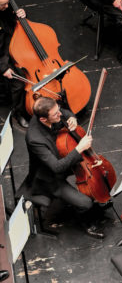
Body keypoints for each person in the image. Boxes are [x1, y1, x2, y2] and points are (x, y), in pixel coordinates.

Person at [22, 97, 105, 239]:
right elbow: (56, 167)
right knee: (86, 203)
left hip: (62, 153)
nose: (59, 115)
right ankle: (87, 224)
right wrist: (79, 149)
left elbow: (64, 112)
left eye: (58, 110)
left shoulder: (52, 112)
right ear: (43, 120)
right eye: (55, 115)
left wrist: (72, 117)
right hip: (49, 177)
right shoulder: (35, 139)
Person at [0, 0, 29, 128]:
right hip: (2, 53)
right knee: (18, 84)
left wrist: (21, 13)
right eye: (2, 6)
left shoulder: (6, 3)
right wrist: (4, 68)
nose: (6, 7)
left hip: (14, 42)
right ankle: (18, 113)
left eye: (7, 3)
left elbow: (12, 16)